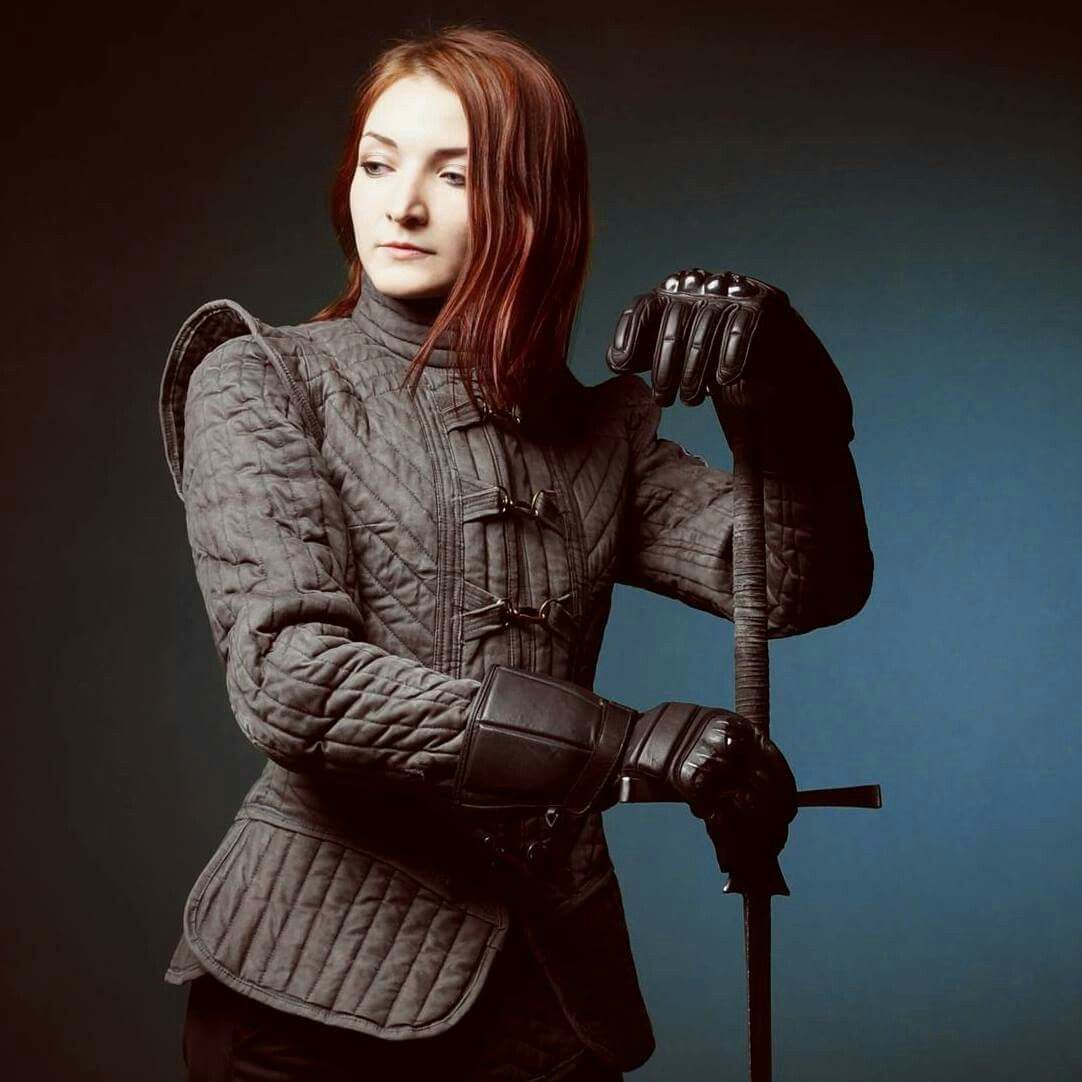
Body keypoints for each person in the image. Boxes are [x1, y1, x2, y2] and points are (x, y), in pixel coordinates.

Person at [158, 24, 874, 1082]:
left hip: (550, 994)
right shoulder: (262, 378)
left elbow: (799, 585)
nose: (400, 205)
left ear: (536, 207)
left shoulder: (596, 432)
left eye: (453, 176)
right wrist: (623, 743)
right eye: (376, 164)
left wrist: (801, 405)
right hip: (307, 1002)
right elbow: (290, 682)